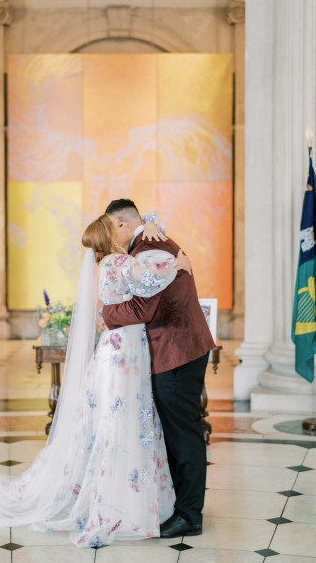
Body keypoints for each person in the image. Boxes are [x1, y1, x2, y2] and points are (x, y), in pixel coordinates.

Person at [0, 214, 190, 548]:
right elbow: (149, 280)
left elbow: (137, 254)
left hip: (119, 349)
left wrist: (149, 223)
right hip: (123, 355)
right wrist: (178, 264)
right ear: (110, 235)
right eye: (119, 227)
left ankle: (129, 497)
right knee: (120, 422)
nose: (126, 231)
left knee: (120, 419)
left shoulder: (105, 263)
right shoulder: (118, 261)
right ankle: (120, 504)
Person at [101, 199, 216, 538]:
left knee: (184, 433)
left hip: (177, 351)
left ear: (122, 224)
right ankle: (182, 505)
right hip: (178, 349)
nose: (111, 235)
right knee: (177, 431)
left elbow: (142, 308)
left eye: (111, 227)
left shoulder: (148, 248)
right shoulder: (149, 239)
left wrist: (105, 314)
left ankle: (189, 515)